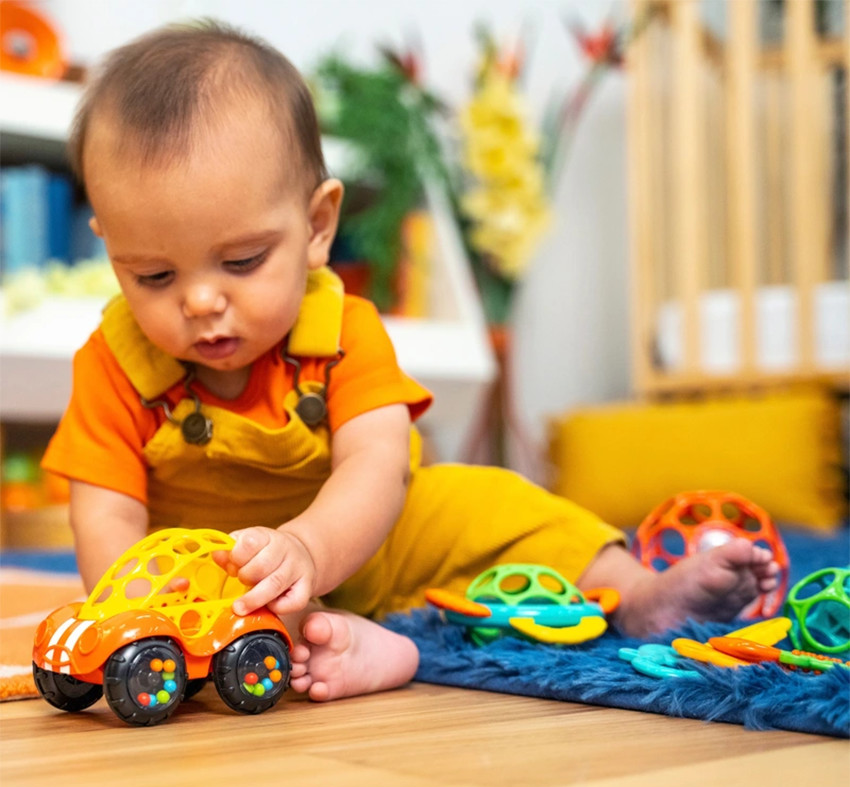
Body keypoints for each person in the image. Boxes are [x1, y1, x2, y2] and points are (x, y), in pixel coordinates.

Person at [43, 19, 780, 703]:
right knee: (244, 624)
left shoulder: (341, 331)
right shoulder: (115, 362)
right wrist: (142, 611)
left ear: (316, 226)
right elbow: (105, 514)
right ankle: (363, 647)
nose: (201, 302)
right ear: (110, 247)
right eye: (154, 276)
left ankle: (636, 590)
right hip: (220, 584)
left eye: (241, 260)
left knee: (493, 503)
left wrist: (309, 546)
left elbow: (377, 466)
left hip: (367, 538)